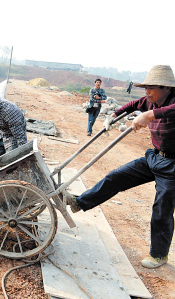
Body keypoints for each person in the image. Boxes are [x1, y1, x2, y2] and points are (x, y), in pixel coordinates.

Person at [68, 65, 175, 269]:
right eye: (145, 88)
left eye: (151, 88)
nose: (147, 92)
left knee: (162, 207)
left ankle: (159, 255)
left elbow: (167, 111)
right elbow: (133, 104)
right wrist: (113, 116)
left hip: (172, 166)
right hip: (154, 157)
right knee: (116, 176)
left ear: (166, 88)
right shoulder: (149, 101)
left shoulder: (172, 102)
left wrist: (149, 115)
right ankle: (79, 202)